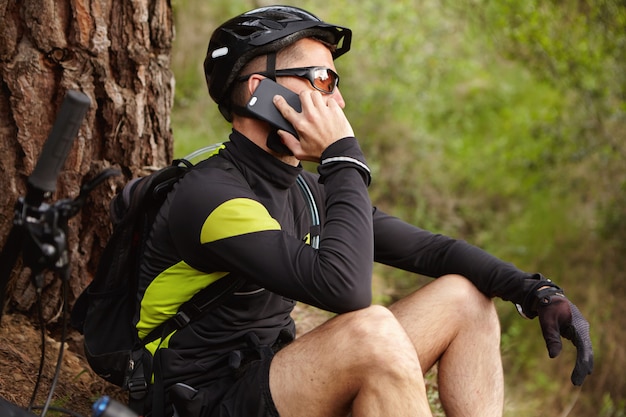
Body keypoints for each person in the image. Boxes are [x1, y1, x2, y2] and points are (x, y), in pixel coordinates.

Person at [136, 5, 593, 417]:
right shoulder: (214, 196)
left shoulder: (303, 190)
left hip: (273, 375)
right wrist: (342, 157)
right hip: (197, 398)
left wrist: (537, 293)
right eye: (322, 81)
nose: (338, 101)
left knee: (464, 297)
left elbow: (433, 251)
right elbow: (346, 291)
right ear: (260, 91)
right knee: (370, 330)